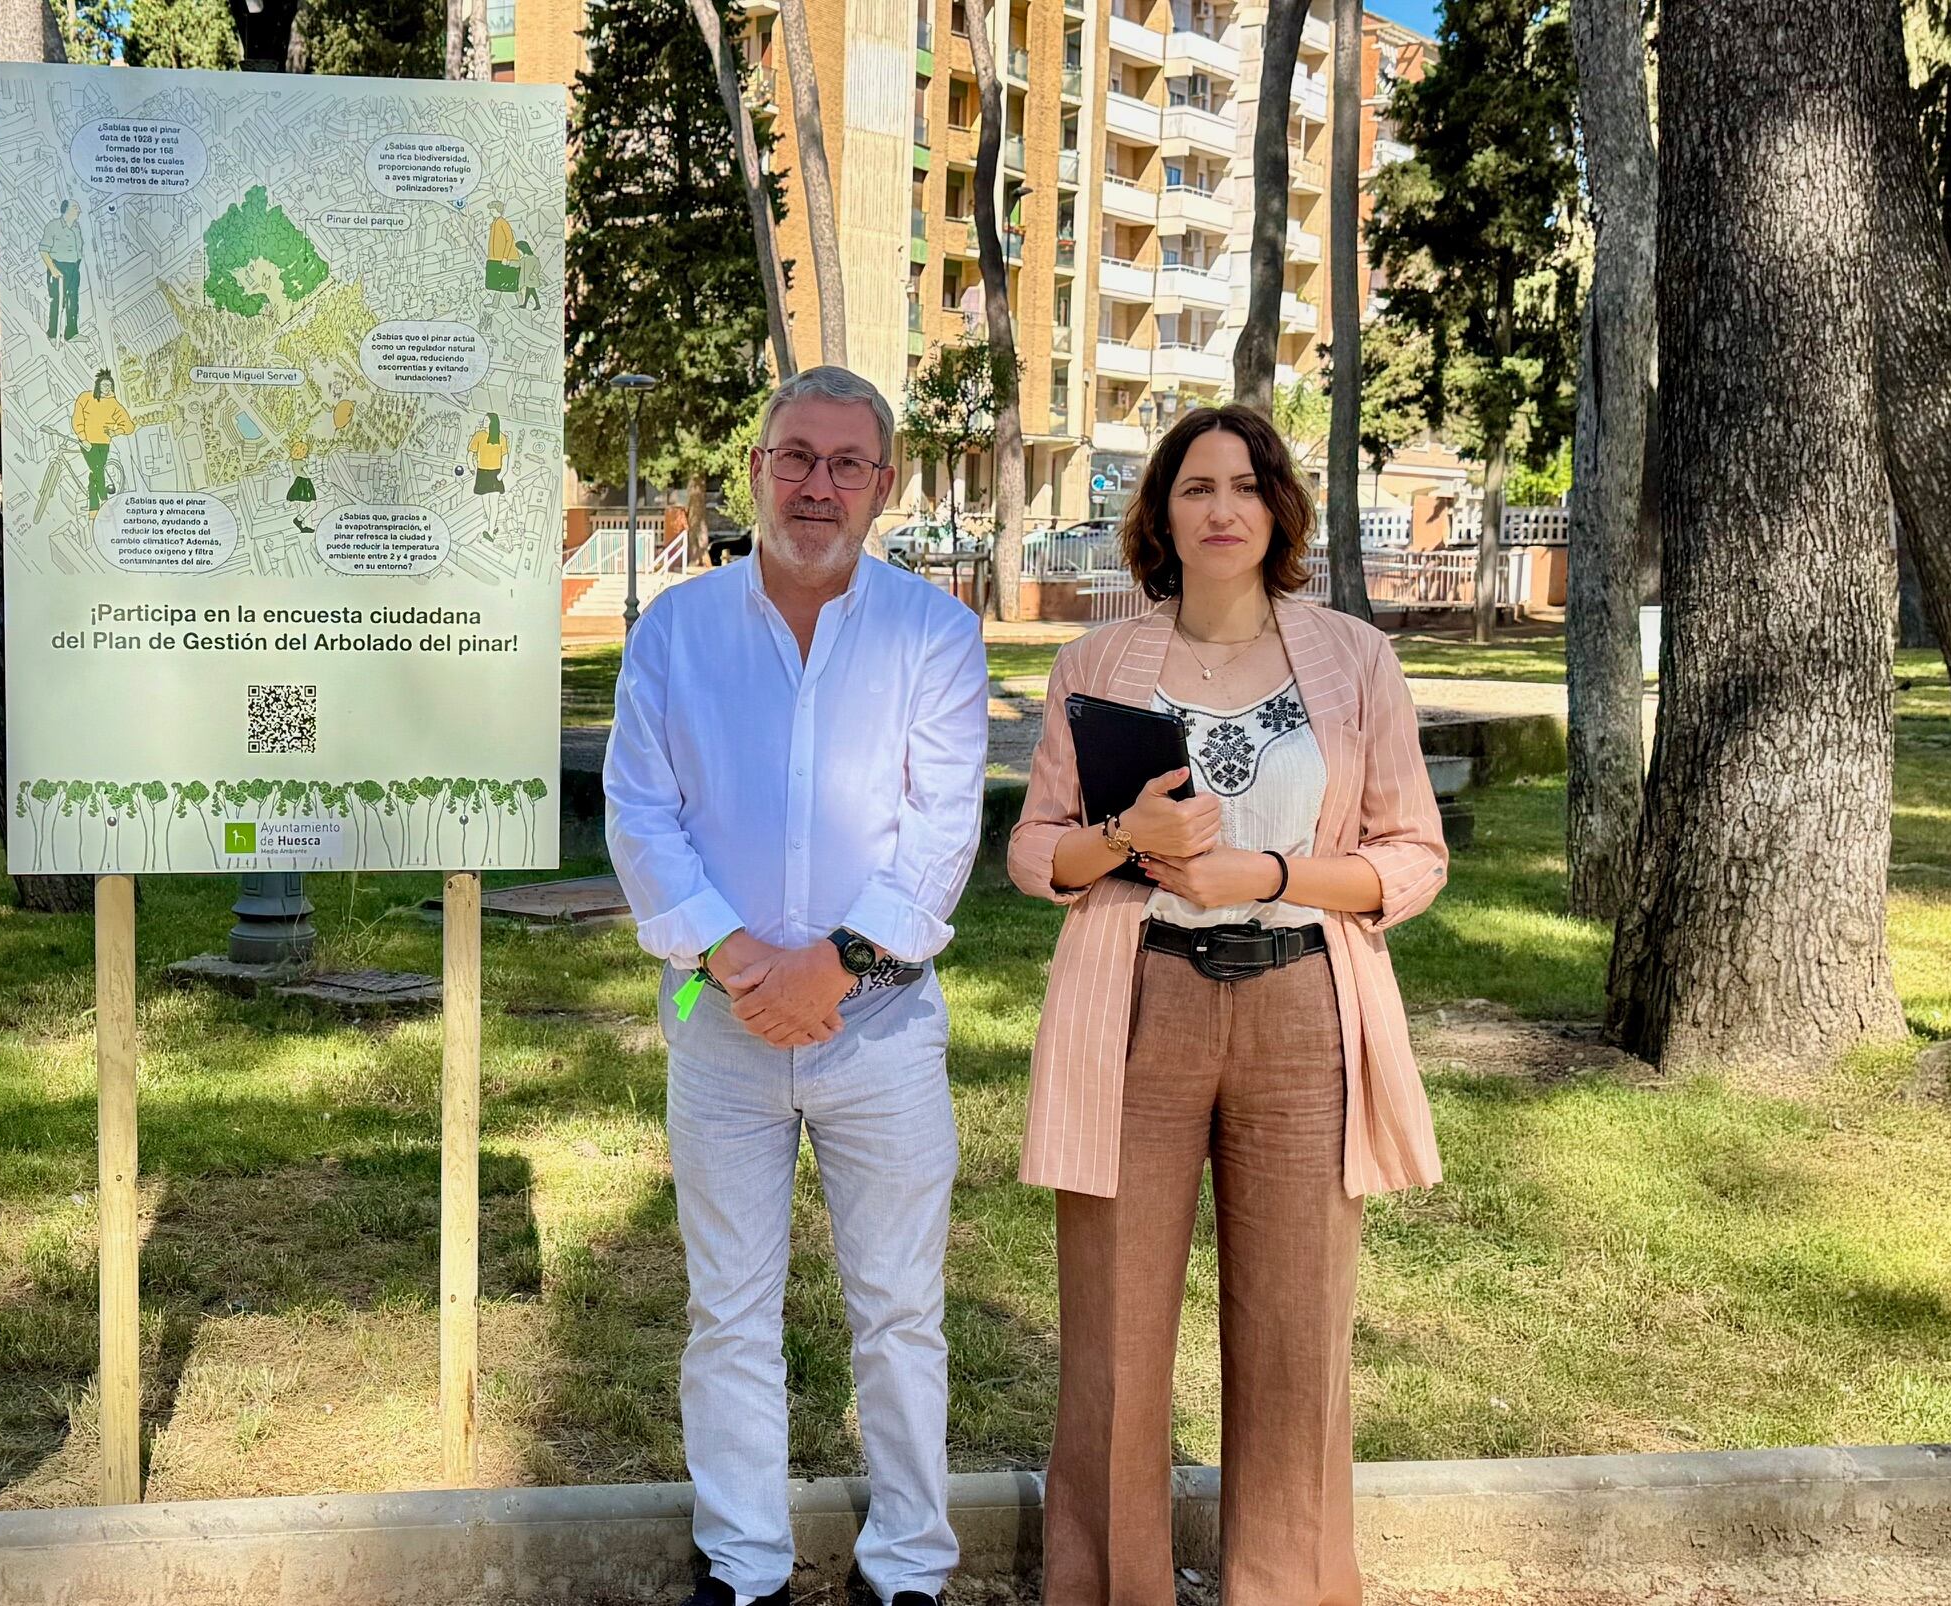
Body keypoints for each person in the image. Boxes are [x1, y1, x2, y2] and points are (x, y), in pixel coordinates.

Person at [1007, 404, 1449, 1606]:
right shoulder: (1097, 664)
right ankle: (1112, 1588)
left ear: (1277, 511)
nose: (1221, 509)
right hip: (1138, 999)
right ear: (1159, 512)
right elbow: (1036, 852)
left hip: (1304, 1006)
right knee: (1112, 1332)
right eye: (1196, 487)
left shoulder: (1355, 659)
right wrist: (1122, 838)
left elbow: (1413, 857)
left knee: (1299, 1333)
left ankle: (1290, 1586)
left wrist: (1270, 874)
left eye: (1245, 487)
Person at [606, 365, 992, 1606]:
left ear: (883, 485)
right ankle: (746, 1564)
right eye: (795, 456)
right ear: (756, 465)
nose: (817, 485)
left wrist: (834, 964)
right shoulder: (676, 629)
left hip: (879, 1027)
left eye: (846, 464)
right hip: (719, 1029)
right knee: (728, 1310)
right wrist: (730, 958)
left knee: (898, 1310)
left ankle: (912, 1569)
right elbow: (639, 811)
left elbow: (941, 833)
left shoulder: (935, 635)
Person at [73, 370, 136, 512]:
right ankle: (104, 500)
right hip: (87, 443)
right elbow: (77, 418)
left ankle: (93, 509)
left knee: (95, 474)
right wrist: (83, 437)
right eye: (104, 385)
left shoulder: (114, 404)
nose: (107, 388)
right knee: (97, 470)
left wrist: (115, 431)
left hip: (104, 444)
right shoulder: (85, 397)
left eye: (110, 385)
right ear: (98, 385)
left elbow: (129, 426)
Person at [41, 197, 84, 342]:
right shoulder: (53, 226)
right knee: (58, 301)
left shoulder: (76, 228)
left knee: (73, 300)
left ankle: (71, 334)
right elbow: (43, 250)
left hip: (74, 267)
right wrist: (53, 269)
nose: (79, 210)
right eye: (76, 207)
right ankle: (53, 334)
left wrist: (76, 266)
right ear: (66, 210)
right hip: (58, 267)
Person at [466, 413, 507, 495]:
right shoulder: (478, 435)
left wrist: (502, 474)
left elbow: (505, 457)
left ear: (492, 422)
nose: (484, 422)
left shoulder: (501, 437)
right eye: (484, 420)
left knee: (494, 501)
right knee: (485, 502)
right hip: (482, 472)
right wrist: (471, 467)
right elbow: (470, 453)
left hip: (496, 472)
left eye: (486, 420)